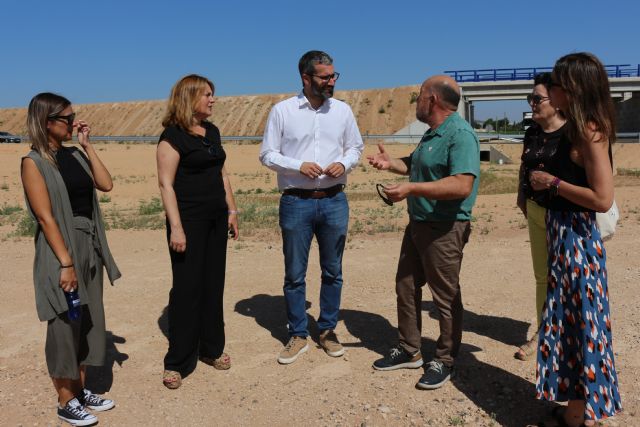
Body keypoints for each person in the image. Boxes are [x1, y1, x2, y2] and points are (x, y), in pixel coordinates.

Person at [367, 75, 480, 390]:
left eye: (419, 95)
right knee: (405, 286)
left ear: (432, 99)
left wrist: (412, 188)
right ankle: (409, 349)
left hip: (445, 228)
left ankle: (445, 360)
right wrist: (391, 164)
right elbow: (417, 164)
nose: (415, 100)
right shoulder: (433, 134)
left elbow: (462, 184)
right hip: (418, 223)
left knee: (444, 297)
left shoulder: (460, 135)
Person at [529, 53, 622, 426]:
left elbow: (603, 198)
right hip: (563, 237)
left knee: (582, 324)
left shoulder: (591, 130)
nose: (550, 88)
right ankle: (576, 408)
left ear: (573, 88)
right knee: (569, 325)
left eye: (556, 83)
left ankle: (579, 415)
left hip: (578, 242)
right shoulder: (575, 127)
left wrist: (552, 183)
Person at [21, 93, 121, 425]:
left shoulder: (76, 155)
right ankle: (65, 400)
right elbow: (46, 217)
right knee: (64, 321)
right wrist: (65, 262)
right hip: (59, 248)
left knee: (88, 318)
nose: (74, 121)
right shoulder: (33, 163)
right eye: (67, 118)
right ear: (47, 122)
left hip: (87, 242)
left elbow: (105, 184)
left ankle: (79, 389)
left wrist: (88, 145)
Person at [259, 50, 364, 364]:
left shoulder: (343, 111)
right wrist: (297, 166)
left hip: (334, 200)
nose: (331, 81)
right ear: (306, 78)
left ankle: (328, 331)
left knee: (333, 271)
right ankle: (298, 334)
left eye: (334, 76)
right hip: (296, 202)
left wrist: (343, 164)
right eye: (325, 77)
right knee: (294, 274)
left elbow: (355, 147)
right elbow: (267, 154)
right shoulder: (282, 111)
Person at [157, 74, 239, 389]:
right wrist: (176, 228)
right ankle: (178, 360)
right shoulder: (172, 137)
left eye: (212, 94)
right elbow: (166, 184)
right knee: (187, 288)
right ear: (189, 98)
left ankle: (211, 348)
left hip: (216, 219)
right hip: (187, 221)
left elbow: (222, 173)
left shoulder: (212, 132)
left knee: (212, 285)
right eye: (207, 94)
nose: (212, 99)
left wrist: (231, 210)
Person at [514, 73, 567, 361]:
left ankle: (562, 336)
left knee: (564, 279)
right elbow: (525, 164)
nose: (532, 103)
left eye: (537, 98)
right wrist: (521, 195)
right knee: (541, 277)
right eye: (529, 98)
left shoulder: (572, 132)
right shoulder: (532, 131)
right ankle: (545, 332)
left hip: (564, 216)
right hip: (535, 210)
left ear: (557, 102)